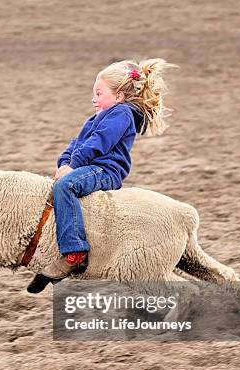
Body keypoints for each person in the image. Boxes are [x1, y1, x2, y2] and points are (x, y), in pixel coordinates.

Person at [29, 58, 177, 291]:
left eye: (99, 93)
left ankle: (74, 253)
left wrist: (73, 165)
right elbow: (76, 143)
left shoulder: (122, 114)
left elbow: (100, 143)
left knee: (65, 187)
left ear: (118, 96)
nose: (93, 99)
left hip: (106, 170)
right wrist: (64, 162)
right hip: (88, 167)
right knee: (57, 184)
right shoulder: (96, 118)